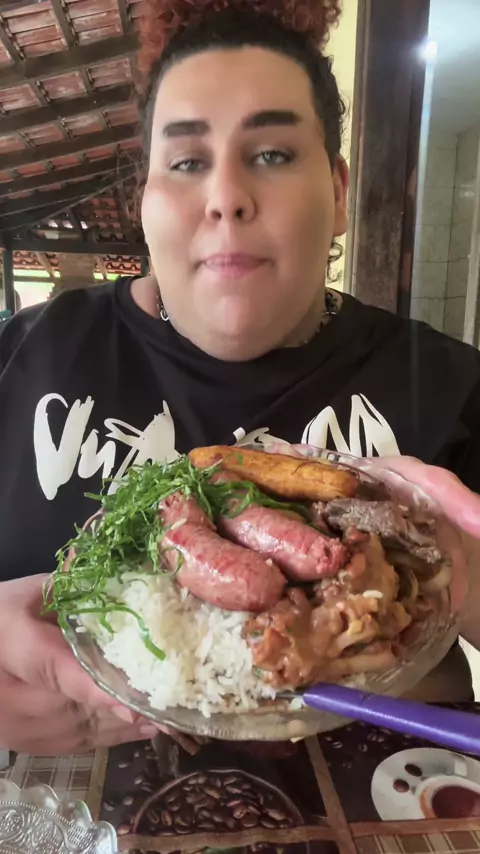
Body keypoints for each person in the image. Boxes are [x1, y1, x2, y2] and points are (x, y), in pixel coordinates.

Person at [0, 0, 479, 757]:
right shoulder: (23, 357)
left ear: (339, 192)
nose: (226, 197)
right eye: (188, 162)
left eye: (274, 154)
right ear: (143, 201)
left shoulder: (450, 382)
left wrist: (469, 581)